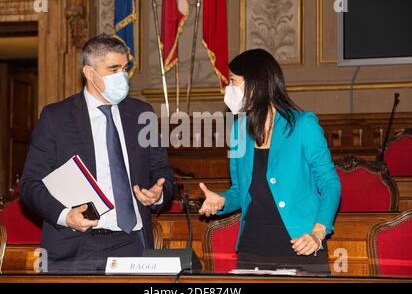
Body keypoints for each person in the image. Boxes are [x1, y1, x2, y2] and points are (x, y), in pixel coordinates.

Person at [20, 34, 174, 273]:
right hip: (75, 246)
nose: (122, 76)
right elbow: (30, 184)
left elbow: (162, 171)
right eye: (113, 69)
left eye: (125, 68)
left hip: (131, 243)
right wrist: (65, 216)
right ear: (89, 73)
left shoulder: (142, 114)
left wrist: (159, 193)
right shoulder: (56, 117)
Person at [198, 49, 341, 274]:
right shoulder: (238, 130)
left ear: (256, 83)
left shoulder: (304, 125)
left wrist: (318, 232)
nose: (228, 90)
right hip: (252, 248)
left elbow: (330, 184)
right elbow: (240, 190)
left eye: (234, 82)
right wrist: (222, 201)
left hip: (300, 245)